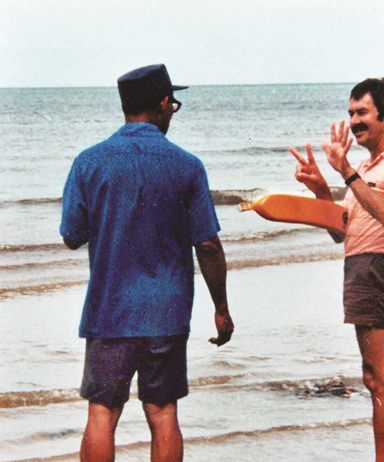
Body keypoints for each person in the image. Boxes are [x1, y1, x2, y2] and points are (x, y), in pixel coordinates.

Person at [60, 64, 234, 462]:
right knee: (163, 411)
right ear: (162, 104)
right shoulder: (187, 165)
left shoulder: (89, 162)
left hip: (110, 309)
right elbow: (208, 244)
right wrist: (221, 309)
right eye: (173, 104)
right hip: (166, 311)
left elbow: (72, 235)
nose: (173, 111)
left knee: (103, 412)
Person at [290, 78, 384, 462]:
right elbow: (343, 232)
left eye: (362, 112)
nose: (353, 122)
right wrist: (322, 191)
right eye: (350, 113)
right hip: (364, 266)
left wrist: (347, 172)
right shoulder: (371, 166)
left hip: (377, 268)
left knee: (376, 376)